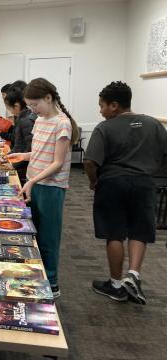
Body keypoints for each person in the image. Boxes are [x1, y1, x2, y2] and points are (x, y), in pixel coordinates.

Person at [85, 81, 167, 305]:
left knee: (115, 233)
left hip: (112, 184)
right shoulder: (154, 125)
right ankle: (134, 274)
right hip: (144, 184)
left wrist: (94, 181)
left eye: (101, 105)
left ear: (113, 105)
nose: (100, 110)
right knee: (139, 230)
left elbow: (90, 161)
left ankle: (115, 284)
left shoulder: (105, 127)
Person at [7, 78, 79, 298]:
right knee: (33, 232)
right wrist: (23, 155)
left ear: (49, 98)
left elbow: (57, 162)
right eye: (30, 105)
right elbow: (39, 152)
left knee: (48, 236)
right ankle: (38, 278)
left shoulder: (62, 123)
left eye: (35, 104)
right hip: (34, 182)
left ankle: (53, 283)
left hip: (50, 187)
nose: (33, 109)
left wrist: (32, 180)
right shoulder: (40, 120)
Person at [4, 82, 37, 183]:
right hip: (19, 163)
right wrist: (7, 157)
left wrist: (13, 164)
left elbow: (29, 150)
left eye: (9, 108)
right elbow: (18, 146)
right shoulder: (20, 118)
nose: (10, 111)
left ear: (17, 106)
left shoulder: (26, 120)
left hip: (24, 168)